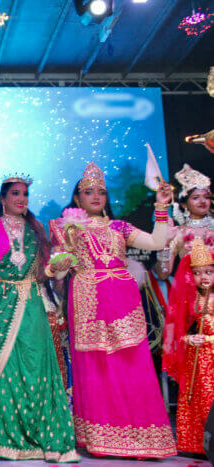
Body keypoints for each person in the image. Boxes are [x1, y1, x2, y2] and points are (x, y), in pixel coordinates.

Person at [48, 162, 176, 458]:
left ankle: (142, 438)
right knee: (96, 366)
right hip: (89, 298)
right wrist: (60, 264)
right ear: (77, 199)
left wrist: (160, 206)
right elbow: (54, 270)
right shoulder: (67, 227)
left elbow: (158, 241)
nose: (96, 197)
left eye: (101, 192)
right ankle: (102, 437)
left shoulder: (120, 227)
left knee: (133, 362)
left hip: (122, 298)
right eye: (88, 192)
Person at [0, 175, 78, 462]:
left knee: (36, 367)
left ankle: (40, 439)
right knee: (3, 370)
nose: (22, 199)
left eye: (26, 195)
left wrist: (58, 268)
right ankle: (5, 441)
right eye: (16, 194)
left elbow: (43, 273)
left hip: (32, 303)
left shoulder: (35, 229)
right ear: (3, 199)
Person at [163, 237, 214, 456]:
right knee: (197, 396)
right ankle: (194, 443)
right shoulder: (188, 300)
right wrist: (187, 339)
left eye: (209, 272)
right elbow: (174, 333)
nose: (203, 277)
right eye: (197, 272)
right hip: (197, 359)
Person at [155, 164, 212, 280]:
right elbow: (163, 274)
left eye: (206, 197)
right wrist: (165, 245)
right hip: (192, 293)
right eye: (196, 198)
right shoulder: (179, 233)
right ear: (184, 204)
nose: (202, 201)